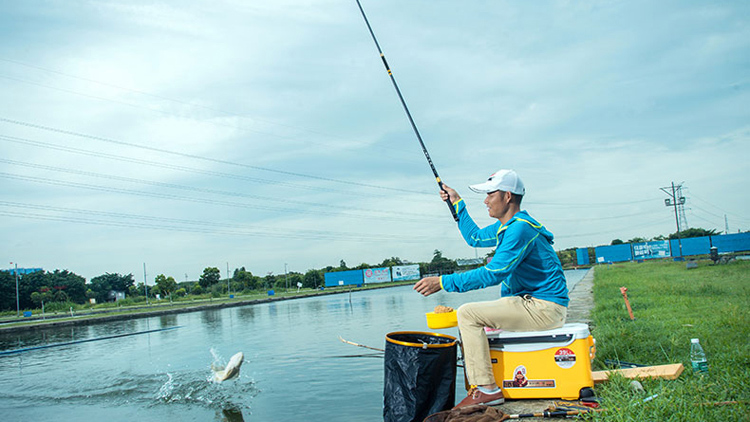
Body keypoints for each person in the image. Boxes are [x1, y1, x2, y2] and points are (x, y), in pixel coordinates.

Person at [414, 169, 569, 409]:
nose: (485, 200)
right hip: (533, 304)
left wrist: (443, 282)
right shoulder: (509, 227)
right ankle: (483, 385)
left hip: (543, 308)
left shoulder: (519, 229)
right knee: (477, 320)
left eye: (490, 194)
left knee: (468, 314)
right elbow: (474, 237)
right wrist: (457, 203)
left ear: (507, 196)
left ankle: (487, 390)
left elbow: (494, 273)